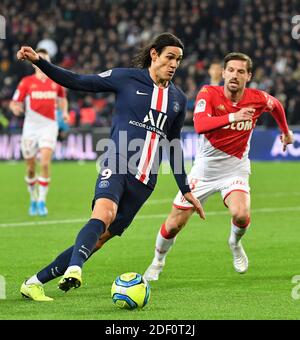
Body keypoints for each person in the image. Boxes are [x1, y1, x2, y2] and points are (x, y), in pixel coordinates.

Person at [17, 33, 205, 301]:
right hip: (117, 161)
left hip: (145, 181)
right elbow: (78, 81)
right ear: (154, 54)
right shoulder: (126, 78)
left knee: (100, 239)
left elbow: (173, 145)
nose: (174, 64)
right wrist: (40, 62)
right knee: (104, 213)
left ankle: (34, 283)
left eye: (178, 60)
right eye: (169, 57)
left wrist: (185, 188)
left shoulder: (177, 98)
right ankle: (75, 268)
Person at [144, 52, 294, 281]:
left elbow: (276, 105)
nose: (235, 75)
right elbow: (200, 124)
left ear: (249, 76)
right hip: (204, 171)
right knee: (174, 224)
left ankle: (234, 243)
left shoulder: (257, 98)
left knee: (241, 214)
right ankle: (157, 261)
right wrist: (234, 117)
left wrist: (285, 131)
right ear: (223, 73)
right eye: (231, 70)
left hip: (236, 169)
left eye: (241, 71)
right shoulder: (209, 93)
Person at [9, 48, 69, 216]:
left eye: (45, 59)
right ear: (34, 63)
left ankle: (42, 200)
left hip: (49, 126)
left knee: (44, 163)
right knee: (30, 168)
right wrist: (16, 109)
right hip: (30, 127)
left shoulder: (55, 82)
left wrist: (64, 112)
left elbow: (62, 99)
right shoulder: (26, 82)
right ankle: (33, 198)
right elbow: (15, 102)